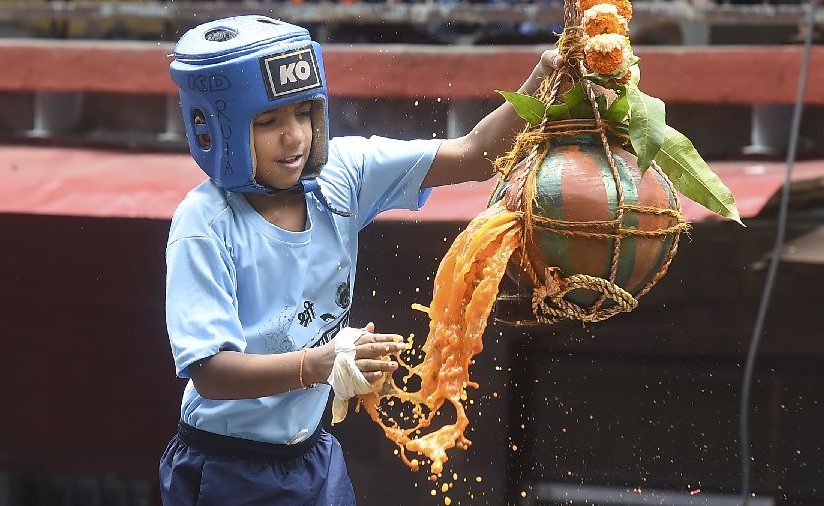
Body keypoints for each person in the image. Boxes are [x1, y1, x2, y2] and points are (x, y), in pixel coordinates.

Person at [159, 14, 561, 506]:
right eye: (268, 122)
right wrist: (319, 363)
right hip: (226, 465)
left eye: (303, 113)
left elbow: (475, 154)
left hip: (312, 455)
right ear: (214, 129)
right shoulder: (203, 223)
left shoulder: (341, 174)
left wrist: (545, 77)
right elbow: (211, 372)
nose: (294, 138)